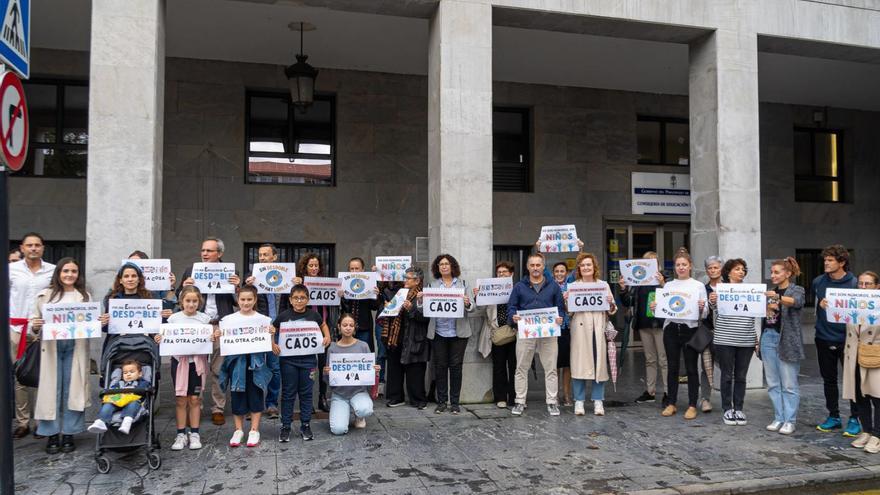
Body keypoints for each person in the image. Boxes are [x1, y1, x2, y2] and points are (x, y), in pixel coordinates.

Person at [29, 258, 92, 454]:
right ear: (58, 273)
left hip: (75, 346)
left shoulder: (84, 296)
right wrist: (35, 326)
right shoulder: (44, 296)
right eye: (66, 271)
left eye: (73, 271)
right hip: (52, 347)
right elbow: (33, 323)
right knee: (51, 391)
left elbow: (90, 321)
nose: (69, 275)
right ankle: (52, 433)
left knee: (72, 391)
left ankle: (69, 433)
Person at [179, 237, 241, 426]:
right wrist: (184, 287)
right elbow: (179, 299)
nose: (204, 254)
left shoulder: (231, 272)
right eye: (203, 250)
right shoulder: (191, 271)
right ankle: (194, 407)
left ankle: (217, 408)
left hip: (220, 326)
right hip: (196, 325)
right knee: (194, 368)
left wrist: (237, 287)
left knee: (218, 369)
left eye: (209, 251)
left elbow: (239, 302)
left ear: (219, 254)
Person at [9, 232, 55, 439]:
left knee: (41, 375)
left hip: (43, 331)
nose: (34, 248)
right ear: (22, 248)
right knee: (20, 376)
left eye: (37, 245)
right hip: (16, 329)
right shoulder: (11, 270)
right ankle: (22, 422)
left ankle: (41, 421)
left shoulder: (52, 271)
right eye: (30, 245)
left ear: (43, 248)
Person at [508, 253, 566, 417]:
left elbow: (560, 307)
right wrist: (514, 316)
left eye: (538, 265)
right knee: (521, 368)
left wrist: (560, 317)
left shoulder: (553, 286)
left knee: (551, 369)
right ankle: (520, 401)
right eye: (532, 265)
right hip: (526, 332)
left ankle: (552, 402)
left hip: (548, 333)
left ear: (543, 266)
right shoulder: (519, 286)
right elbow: (511, 306)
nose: (535, 268)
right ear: (528, 267)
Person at [653, 248, 708, 420]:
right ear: (675, 267)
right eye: (678, 265)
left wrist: (702, 307)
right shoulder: (668, 285)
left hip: (690, 329)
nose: (681, 267)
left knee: (692, 368)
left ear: (690, 266)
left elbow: (705, 312)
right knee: (672, 367)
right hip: (671, 329)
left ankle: (692, 404)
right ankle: (671, 403)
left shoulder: (698, 286)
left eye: (684, 264)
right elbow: (663, 309)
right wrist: (655, 308)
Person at [154, 286, 211, 450]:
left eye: (194, 301)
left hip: (197, 365)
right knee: (180, 399)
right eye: (188, 301)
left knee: (195, 399)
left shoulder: (204, 319)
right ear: (181, 302)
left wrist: (214, 335)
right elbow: (165, 337)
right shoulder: (173, 319)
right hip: (179, 364)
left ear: (199, 302)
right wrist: (160, 337)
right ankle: (180, 434)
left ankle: (194, 433)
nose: (191, 304)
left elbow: (209, 338)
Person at [272, 284, 331, 442]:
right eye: (296, 298)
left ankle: (305, 424)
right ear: (290, 300)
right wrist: (273, 343)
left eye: (302, 298)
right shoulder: (284, 316)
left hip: (308, 360)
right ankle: (285, 426)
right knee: (288, 393)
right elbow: (271, 328)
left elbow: (323, 324)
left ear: (308, 299)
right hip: (288, 361)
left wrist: (327, 336)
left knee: (306, 393)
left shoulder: (313, 315)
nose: (299, 301)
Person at [217, 285, 274, 447]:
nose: (246, 302)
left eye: (249, 299)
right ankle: (238, 430)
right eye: (243, 299)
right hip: (236, 364)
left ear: (255, 300)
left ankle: (254, 430)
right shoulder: (228, 320)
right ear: (238, 300)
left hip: (255, 363)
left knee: (255, 393)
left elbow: (269, 345)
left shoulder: (262, 320)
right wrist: (218, 334)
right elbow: (222, 339)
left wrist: (271, 333)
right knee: (237, 395)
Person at [813, 244, 860, 436]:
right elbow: (816, 309)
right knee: (829, 380)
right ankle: (833, 416)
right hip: (823, 337)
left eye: (830, 260)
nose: (826, 263)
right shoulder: (818, 282)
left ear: (842, 262)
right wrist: (822, 306)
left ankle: (855, 418)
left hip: (847, 339)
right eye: (825, 259)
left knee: (852, 380)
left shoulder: (854, 283)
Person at [421, 254, 475, 414]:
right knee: (440, 367)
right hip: (438, 333)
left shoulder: (463, 284)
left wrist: (467, 303)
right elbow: (425, 308)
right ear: (437, 268)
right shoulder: (432, 285)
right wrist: (420, 300)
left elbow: (473, 307)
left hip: (459, 333)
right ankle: (442, 401)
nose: (444, 266)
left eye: (446, 264)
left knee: (456, 368)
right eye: (440, 264)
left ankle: (455, 403)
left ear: (452, 266)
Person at [709, 258, 761, 426]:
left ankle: (738, 408)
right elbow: (714, 309)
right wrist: (712, 300)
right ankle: (727, 409)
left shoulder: (751, 291)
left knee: (741, 376)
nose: (741, 272)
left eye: (743, 269)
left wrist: (755, 339)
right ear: (729, 272)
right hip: (724, 339)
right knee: (726, 375)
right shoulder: (721, 290)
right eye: (737, 269)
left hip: (745, 339)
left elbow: (754, 316)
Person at [565, 253, 616, 416]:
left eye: (589, 265)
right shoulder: (573, 286)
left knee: (598, 363)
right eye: (583, 265)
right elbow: (568, 312)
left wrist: (610, 303)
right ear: (579, 268)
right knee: (579, 363)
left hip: (598, 329)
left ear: (594, 267)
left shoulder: (603, 285)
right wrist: (566, 300)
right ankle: (579, 401)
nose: (586, 267)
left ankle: (598, 400)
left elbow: (612, 309)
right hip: (580, 329)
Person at [762, 257, 805, 435]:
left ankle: (790, 420)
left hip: (787, 340)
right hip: (768, 337)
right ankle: (779, 417)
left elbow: (796, 302)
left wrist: (778, 298)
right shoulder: (770, 292)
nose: (773, 275)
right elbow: (764, 319)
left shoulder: (797, 290)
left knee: (789, 384)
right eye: (772, 272)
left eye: (777, 272)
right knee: (772, 383)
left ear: (788, 273)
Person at [292, 252, 339, 413]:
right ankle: (307, 401)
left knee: (324, 365)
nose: (313, 268)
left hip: (325, 328)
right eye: (310, 265)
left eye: (316, 265)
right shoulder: (299, 285)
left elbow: (335, 306)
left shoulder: (326, 283)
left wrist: (340, 296)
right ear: (304, 267)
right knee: (308, 367)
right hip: (306, 331)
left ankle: (322, 398)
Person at [244, 243, 287, 419]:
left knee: (275, 367)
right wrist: (248, 285)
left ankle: (271, 404)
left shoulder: (285, 276)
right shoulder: (251, 276)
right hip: (258, 329)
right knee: (255, 366)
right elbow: (243, 298)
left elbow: (295, 298)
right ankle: (254, 405)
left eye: (265, 255)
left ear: (274, 257)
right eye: (260, 255)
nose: (261, 258)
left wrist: (297, 283)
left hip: (278, 329)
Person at [620, 251, 666, 404]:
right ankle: (650, 391)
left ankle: (668, 391)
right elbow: (628, 302)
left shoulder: (664, 279)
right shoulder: (638, 282)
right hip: (643, 324)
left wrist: (663, 284)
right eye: (647, 262)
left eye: (653, 262)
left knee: (663, 359)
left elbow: (672, 298)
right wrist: (623, 289)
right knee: (650, 359)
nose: (650, 265)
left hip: (660, 324)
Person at [99, 262, 171, 359]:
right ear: (120, 280)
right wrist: (103, 323)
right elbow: (107, 329)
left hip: (145, 348)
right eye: (126, 276)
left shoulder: (151, 298)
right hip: (119, 348)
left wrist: (166, 316)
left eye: (134, 276)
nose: (130, 279)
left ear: (139, 279)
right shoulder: (114, 300)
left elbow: (159, 325)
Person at [324, 313, 380, 434]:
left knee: (365, 409)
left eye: (351, 325)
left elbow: (369, 375)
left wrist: (375, 371)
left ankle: (359, 415)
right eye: (345, 325)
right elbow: (328, 380)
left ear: (355, 328)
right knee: (338, 430)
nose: (348, 328)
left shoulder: (363, 346)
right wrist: (326, 372)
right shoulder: (332, 349)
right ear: (339, 327)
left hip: (358, 391)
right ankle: (343, 410)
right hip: (339, 394)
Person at [843, 271, 880, 453]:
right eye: (861, 284)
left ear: (877, 287)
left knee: (877, 396)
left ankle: (878, 436)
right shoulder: (852, 305)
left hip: (875, 357)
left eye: (868, 284)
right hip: (854, 356)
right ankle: (866, 430)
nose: (863, 287)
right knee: (860, 395)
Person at [383, 267, 430, 409]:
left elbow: (426, 318)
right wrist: (388, 308)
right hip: (396, 336)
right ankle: (396, 397)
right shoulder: (400, 292)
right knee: (395, 369)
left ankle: (418, 400)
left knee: (415, 370)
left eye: (408, 278)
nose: (405, 280)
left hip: (415, 338)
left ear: (417, 281)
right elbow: (392, 310)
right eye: (405, 277)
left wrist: (412, 310)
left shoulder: (423, 295)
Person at [475, 261, 517, 408]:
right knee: (498, 366)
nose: (501, 274)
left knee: (515, 367)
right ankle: (501, 397)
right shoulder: (491, 288)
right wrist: (478, 296)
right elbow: (479, 306)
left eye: (505, 272)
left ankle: (515, 397)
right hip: (497, 333)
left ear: (511, 274)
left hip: (515, 333)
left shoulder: (517, 289)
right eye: (499, 272)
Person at [87, 360, 147, 435]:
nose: (128, 374)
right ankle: (101, 421)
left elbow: (144, 390)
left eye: (132, 372)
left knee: (134, 404)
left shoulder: (142, 383)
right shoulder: (119, 383)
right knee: (108, 405)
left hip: (131, 401)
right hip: (118, 401)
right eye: (125, 373)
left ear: (140, 374)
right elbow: (112, 390)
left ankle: (127, 421)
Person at [340, 257, 383, 351]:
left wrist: (376, 295)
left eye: (357, 268)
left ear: (363, 270)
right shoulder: (343, 283)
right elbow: (343, 308)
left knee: (365, 353)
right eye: (352, 269)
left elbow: (374, 307)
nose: (354, 271)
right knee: (347, 353)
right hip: (347, 326)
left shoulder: (370, 283)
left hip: (364, 327)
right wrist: (342, 297)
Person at [699, 255, 723, 413]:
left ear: (721, 269)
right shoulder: (703, 289)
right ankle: (705, 399)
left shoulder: (729, 287)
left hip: (725, 333)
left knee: (727, 367)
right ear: (706, 271)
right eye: (710, 268)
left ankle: (729, 398)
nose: (713, 270)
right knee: (705, 367)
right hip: (707, 332)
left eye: (716, 267)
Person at [552, 262, 574, 407]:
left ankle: (566, 395)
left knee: (567, 364)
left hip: (567, 328)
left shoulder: (571, 288)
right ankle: (554, 395)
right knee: (554, 365)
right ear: (553, 273)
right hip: (552, 329)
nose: (560, 273)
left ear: (566, 273)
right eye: (557, 271)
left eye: (562, 271)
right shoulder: (549, 287)